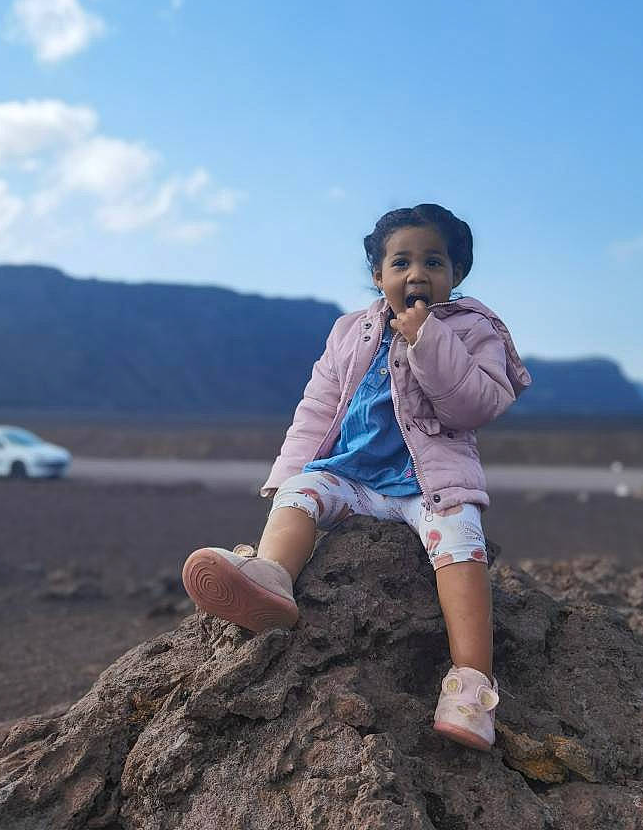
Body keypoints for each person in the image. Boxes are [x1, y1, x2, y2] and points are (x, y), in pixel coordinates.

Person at [182, 203, 531, 751]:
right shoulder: (351, 330)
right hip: (352, 476)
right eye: (401, 262)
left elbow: (475, 405)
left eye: (434, 261)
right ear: (378, 275)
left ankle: (471, 683)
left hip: (427, 483)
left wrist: (427, 341)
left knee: (461, 545)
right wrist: (288, 474)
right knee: (301, 495)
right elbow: (318, 408)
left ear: (456, 275)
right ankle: (272, 577)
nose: (417, 274)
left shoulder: (472, 330)